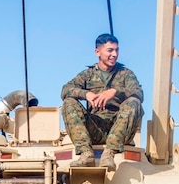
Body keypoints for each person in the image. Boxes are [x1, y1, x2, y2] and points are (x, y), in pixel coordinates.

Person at [61, 34, 143, 171]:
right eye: (110, 50)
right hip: (96, 127)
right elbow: (65, 90)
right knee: (69, 102)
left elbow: (139, 93)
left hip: (120, 127)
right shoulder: (87, 75)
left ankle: (109, 154)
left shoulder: (125, 74)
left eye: (117, 50)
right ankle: (86, 154)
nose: (114, 54)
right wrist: (86, 94)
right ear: (97, 52)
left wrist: (115, 91)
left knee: (134, 102)